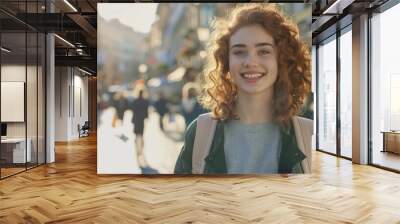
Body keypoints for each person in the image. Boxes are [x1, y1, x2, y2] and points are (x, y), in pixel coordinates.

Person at [174, 4, 312, 174]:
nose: (250, 62)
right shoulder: (200, 132)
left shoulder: (309, 135)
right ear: (226, 62)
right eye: (239, 52)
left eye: (263, 51)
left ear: (281, 59)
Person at [131, 89, 150, 167]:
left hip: (136, 120)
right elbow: (146, 112)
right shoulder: (145, 101)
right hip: (141, 120)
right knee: (141, 135)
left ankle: (138, 148)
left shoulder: (135, 101)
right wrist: (146, 116)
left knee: (137, 135)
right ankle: (141, 149)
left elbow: (133, 110)